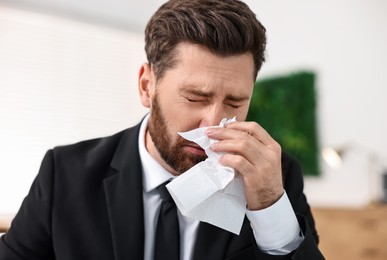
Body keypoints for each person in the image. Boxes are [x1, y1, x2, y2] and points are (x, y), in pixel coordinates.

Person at [0, 0, 324, 259]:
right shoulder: (65, 173)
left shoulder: (276, 177)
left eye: (235, 102)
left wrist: (268, 204)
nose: (212, 124)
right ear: (146, 86)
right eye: (195, 97)